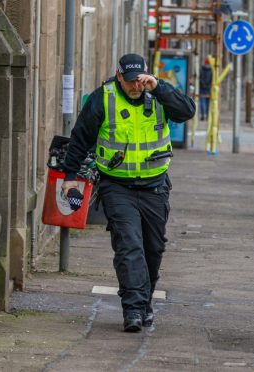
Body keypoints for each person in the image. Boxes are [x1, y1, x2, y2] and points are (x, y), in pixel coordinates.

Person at [61, 53, 196, 332]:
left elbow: (187, 111)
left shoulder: (157, 94)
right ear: (119, 76)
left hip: (154, 186)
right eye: (130, 80)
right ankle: (133, 310)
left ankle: (144, 302)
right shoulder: (103, 98)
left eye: (139, 79)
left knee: (152, 249)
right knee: (129, 245)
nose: (136, 85)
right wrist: (70, 177)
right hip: (116, 186)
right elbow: (80, 138)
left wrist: (159, 87)